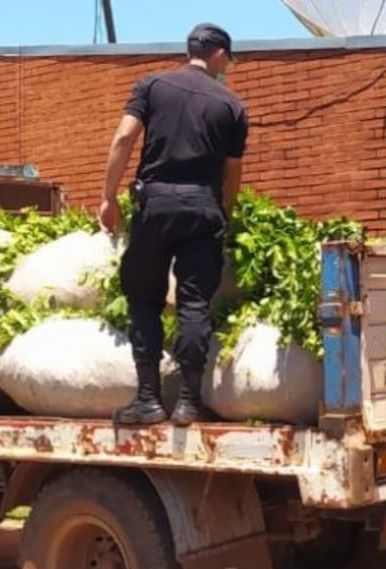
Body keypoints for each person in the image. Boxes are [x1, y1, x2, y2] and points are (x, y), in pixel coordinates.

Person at [98, 23, 249, 426]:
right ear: (218, 53)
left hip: (156, 204)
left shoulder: (152, 85)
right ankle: (187, 402)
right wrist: (225, 212)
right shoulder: (232, 106)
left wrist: (108, 198)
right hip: (204, 207)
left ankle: (147, 399)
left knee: (144, 298)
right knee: (194, 303)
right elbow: (232, 172)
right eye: (228, 60)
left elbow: (124, 139)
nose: (228, 68)